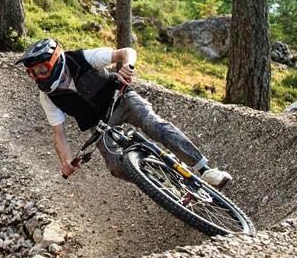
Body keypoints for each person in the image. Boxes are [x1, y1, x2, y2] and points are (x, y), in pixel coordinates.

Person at [17, 37, 231, 188]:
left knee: (154, 124)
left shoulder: (81, 57)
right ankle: (160, 184)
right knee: (115, 167)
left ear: (55, 60)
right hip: (99, 124)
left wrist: (128, 66)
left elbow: (126, 52)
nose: (38, 77)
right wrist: (65, 161)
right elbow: (59, 133)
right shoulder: (47, 97)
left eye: (42, 69)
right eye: (32, 73)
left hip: (121, 99)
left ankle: (205, 170)